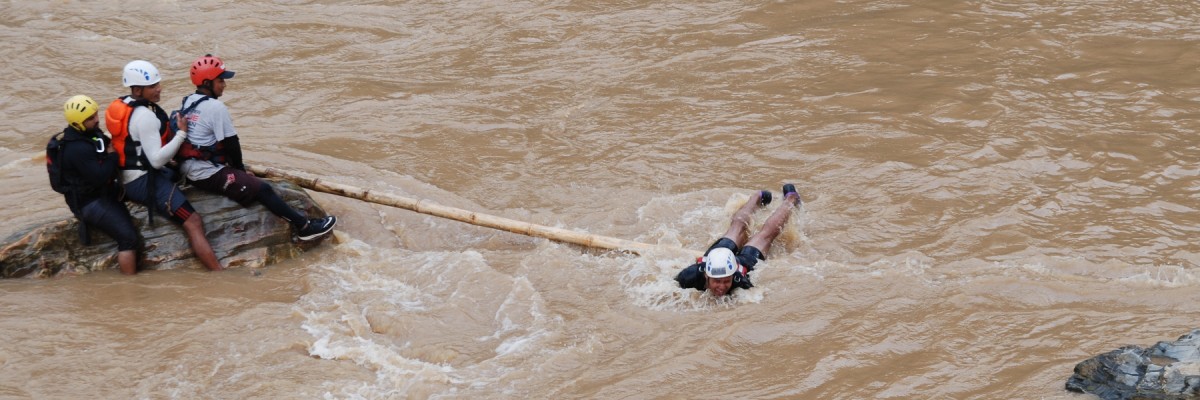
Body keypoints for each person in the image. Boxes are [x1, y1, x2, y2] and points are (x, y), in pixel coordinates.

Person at [177, 54, 335, 241]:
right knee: (262, 189)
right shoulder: (216, 108)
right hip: (203, 173)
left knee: (251, 180)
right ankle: (304, 227)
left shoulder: (189, 101)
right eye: (220, 80)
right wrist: (240, 172)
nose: (224, 85)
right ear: (207, 83)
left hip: (188, 167)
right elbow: (231, 145)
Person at [105, 60, 223, 272]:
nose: (159, 89)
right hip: (142, 181)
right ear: (138, 89)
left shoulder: (120, 105)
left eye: (158, 83)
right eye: (153, 86)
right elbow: (156, 160)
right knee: (193, 221)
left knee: (177, 172)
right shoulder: (145, 117)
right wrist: (181, 134)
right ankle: (218, 273)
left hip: (126, 178)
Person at [54, 95, 141, 274]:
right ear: (78, 123)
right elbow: (101, 176)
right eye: (91, 118)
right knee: (129, 238)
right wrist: (112, 156)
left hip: (101, 193)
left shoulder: (88, 135)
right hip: (89, 203)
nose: (97, 120)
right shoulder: (76, 149)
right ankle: (131, 287)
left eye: (95, 115)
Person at [675, 184, 802, 297]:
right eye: (717, 281)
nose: (722, 287)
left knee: (765, 234)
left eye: (726, 281)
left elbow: (756, 297)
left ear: (732, 276)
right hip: (718, 255)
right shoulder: (689, 276)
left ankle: (791, 199)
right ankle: (757, 196)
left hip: (743, 263)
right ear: (707, 276)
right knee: (738, 225)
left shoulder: (739, 280)